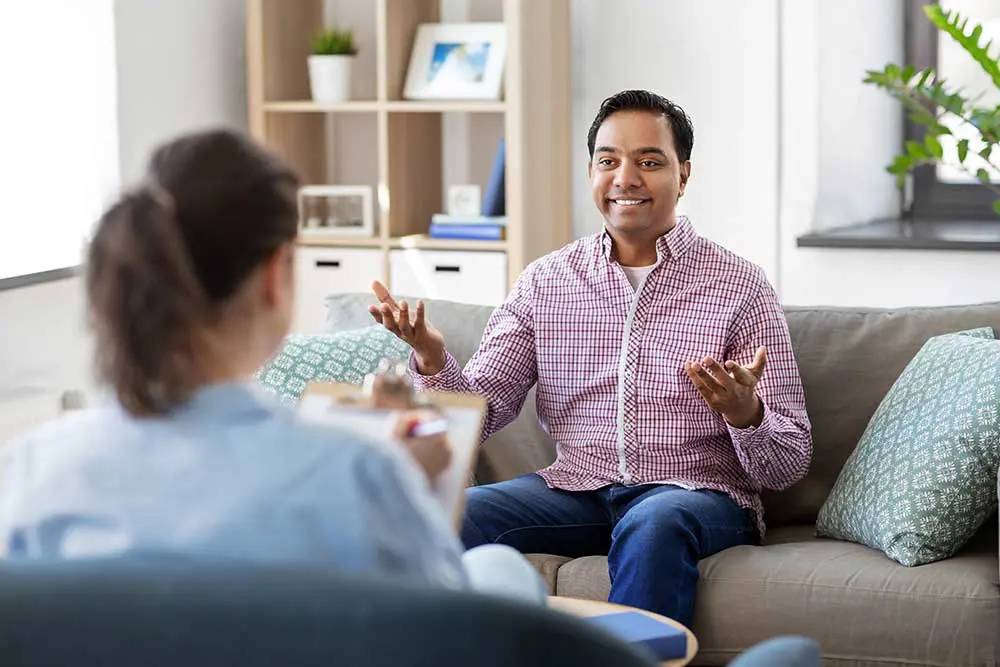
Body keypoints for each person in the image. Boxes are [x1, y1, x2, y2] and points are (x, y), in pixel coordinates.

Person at [0, 129, 545, 605]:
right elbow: (436, 629)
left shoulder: (27, 470)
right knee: (502, 575)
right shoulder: (356, 473)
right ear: (272, 277)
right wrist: (412, 481)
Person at [368, 89, 812, 626]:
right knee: (448, 512)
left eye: (649, 162)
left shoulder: (740, 285)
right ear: (591, 172)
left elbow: (788, 463)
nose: (626, 177)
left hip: (695, 495)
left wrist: (748, 415)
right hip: (576, 489)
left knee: (655, 521)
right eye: (609, 161)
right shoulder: (546, 281)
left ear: (684, 174)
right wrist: (433, 357)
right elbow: (479, 415)